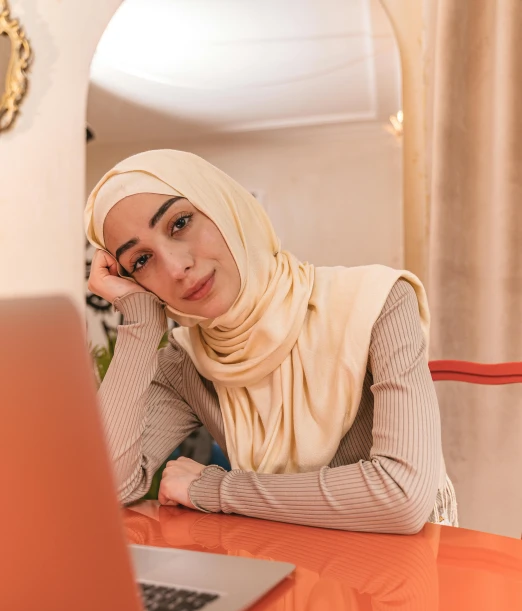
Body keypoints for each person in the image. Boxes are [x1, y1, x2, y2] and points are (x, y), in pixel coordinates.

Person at [85, 149, 457, 533]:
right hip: (282, 570)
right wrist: (142, 321)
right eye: (141, 262)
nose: (177, 268)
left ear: (225, 207)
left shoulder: (378, 301)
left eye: (180, 222)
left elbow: (401, 497)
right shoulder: (188, 362)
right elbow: (106, 486)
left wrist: (220, 490)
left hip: (399, 578)